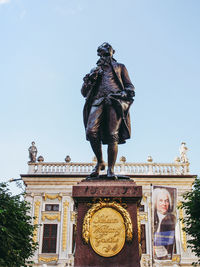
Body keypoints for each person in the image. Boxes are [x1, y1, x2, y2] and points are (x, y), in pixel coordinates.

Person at [81, 42, 135, 179]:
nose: (104, 56)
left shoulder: (120, 67)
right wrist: (89, 81)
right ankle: (100, 162)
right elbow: (84, 93)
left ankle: (110, 169)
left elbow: (130, 87)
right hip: (97, 101)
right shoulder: (94, 71)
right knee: (91, 132)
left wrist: (123, 93)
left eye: (107, 53)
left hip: (114, 102)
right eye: (102, 53)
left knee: (112, 135)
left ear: (112, 52)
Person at [153, 188, 176, 260]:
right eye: (161, 201)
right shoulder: (152, 217)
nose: (164, 204)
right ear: (155, 202)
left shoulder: (172, 219)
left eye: (166, 201)